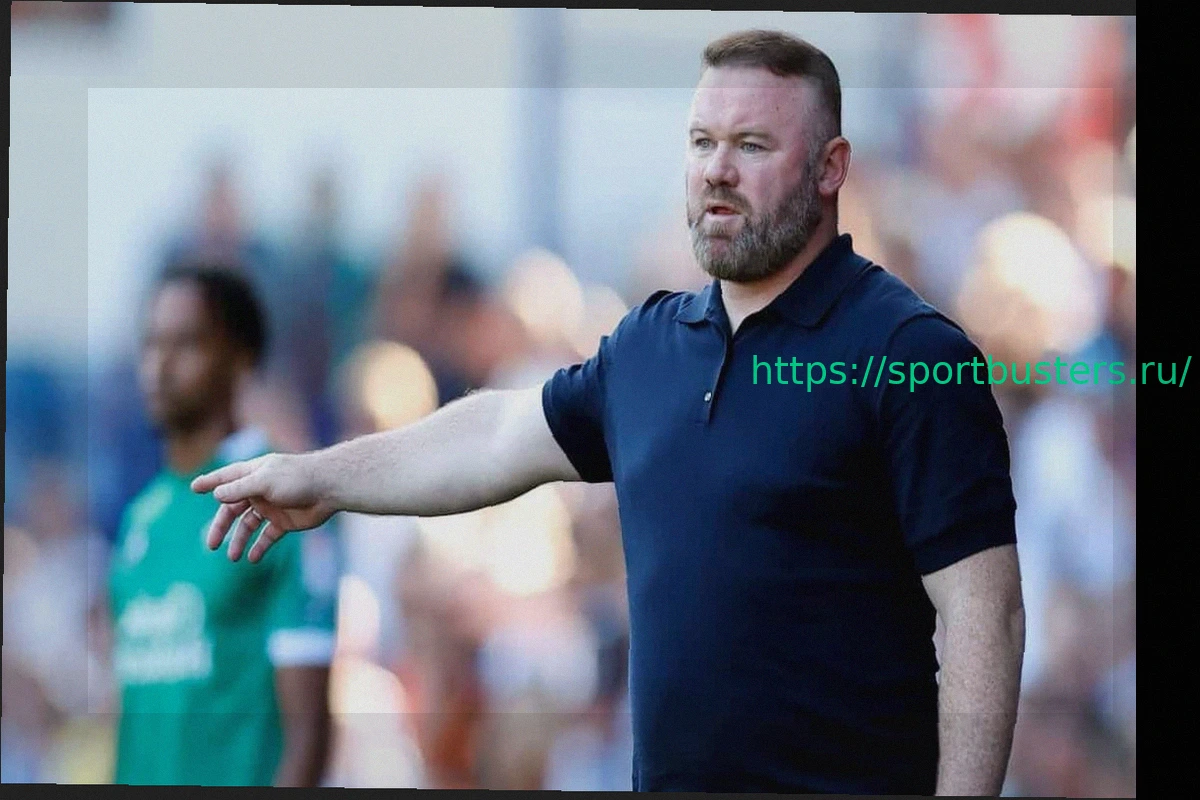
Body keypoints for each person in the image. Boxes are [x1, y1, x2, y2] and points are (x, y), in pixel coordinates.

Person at [193, 30, 1024, 795]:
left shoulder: (910, 353)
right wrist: (322, 478)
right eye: (701, 142)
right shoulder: (649, 347)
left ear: (831, 167)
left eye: (751, 145)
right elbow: (494, 435)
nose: (716, 170)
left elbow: (986, 615)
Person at [108, 262, 338, 786]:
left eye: (186, 344)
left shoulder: (282, 499)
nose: (159, 366)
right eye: (151, 344)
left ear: (240, 358)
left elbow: (309, 735)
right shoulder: (140, 517)